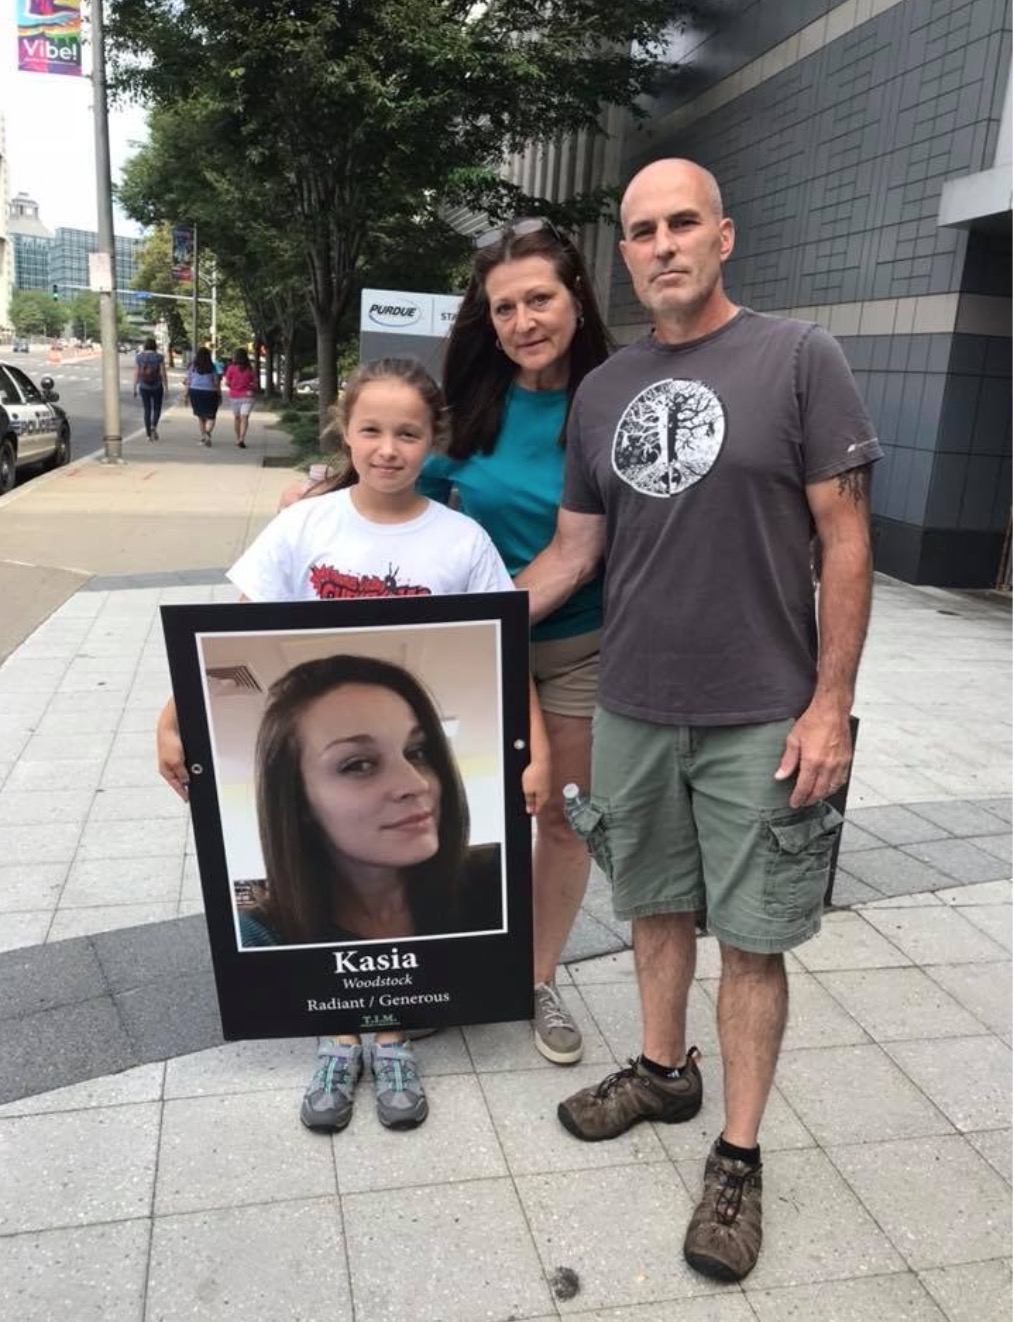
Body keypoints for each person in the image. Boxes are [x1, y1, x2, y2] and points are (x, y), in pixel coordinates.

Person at [515, 159, 883, 1283]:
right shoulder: (602, 391)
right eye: (641, 230)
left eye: (683, 223)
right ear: (622, 256)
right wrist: (442, 627)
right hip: (633, 703)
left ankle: (737, 1152)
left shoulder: (800, 358)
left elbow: (849, 539)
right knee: (657, 907)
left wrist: (830, 706)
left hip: (762, 715)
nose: (663, 242)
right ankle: (664, 1069)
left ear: (724, 235)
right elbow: (577, 551)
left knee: (756, 937)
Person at [157, 356, 550, 1134]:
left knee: (398, 883)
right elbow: (233, 629)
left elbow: (508, 652)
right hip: (308, 733)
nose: (388, 448)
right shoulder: (305, 524)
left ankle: (395, 1033)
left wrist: (534, 743)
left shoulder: (462, 541)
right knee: (334, 883)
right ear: (346, 428)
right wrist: (172, 717)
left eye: (409, 433)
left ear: (434, 440)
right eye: (371, 429)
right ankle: (339, 1035)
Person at [417, 217, 611, 1067]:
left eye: (540, 299)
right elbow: (388, 476)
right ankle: (445, 974)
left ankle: (533, 979)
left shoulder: (614, 403)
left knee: (562, 823)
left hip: (577, 649)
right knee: (447, 818)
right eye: (504, 308)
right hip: (470, 655)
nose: (523, 321)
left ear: (577, 298)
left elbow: (584, 553)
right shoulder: (463, 412)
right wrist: (315, 496)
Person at [244, 653, 502, 947]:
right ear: (299, 801)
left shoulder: (496, 881)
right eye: (358, 765)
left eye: (417, 752)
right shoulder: (261, 939)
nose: (415, 784)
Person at [184, 346, 222, 446]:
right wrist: (219, 395)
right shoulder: (212, 367)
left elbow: (188, 382)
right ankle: (208, 432)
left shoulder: (192, 367)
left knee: (201, 417)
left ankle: (203, 437)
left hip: (195, 392)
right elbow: (217, 383)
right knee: (211, 416)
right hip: (210, 393)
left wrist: (185, 396)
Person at [133, 336, 168, 441]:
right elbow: (163, 373)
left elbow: (136, 373)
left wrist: (134, 387)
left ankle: (148, 435)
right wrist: (166, 387)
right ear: (155, 346)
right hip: (157, 386)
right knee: (157, 408)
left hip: (144, 386)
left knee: (147, 409)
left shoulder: (139, 357)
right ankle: (154, 425)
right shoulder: (159, 357)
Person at [223, 347, 257, 448]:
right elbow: (255, 382)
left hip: (234, 396)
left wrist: (233, 387)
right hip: (247, 396)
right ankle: (241, 438)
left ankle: (238, 438)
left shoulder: (231, 368)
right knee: (244, 417)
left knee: (237, 418)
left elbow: (227, 382)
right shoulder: (250, 368)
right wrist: (250, 388)